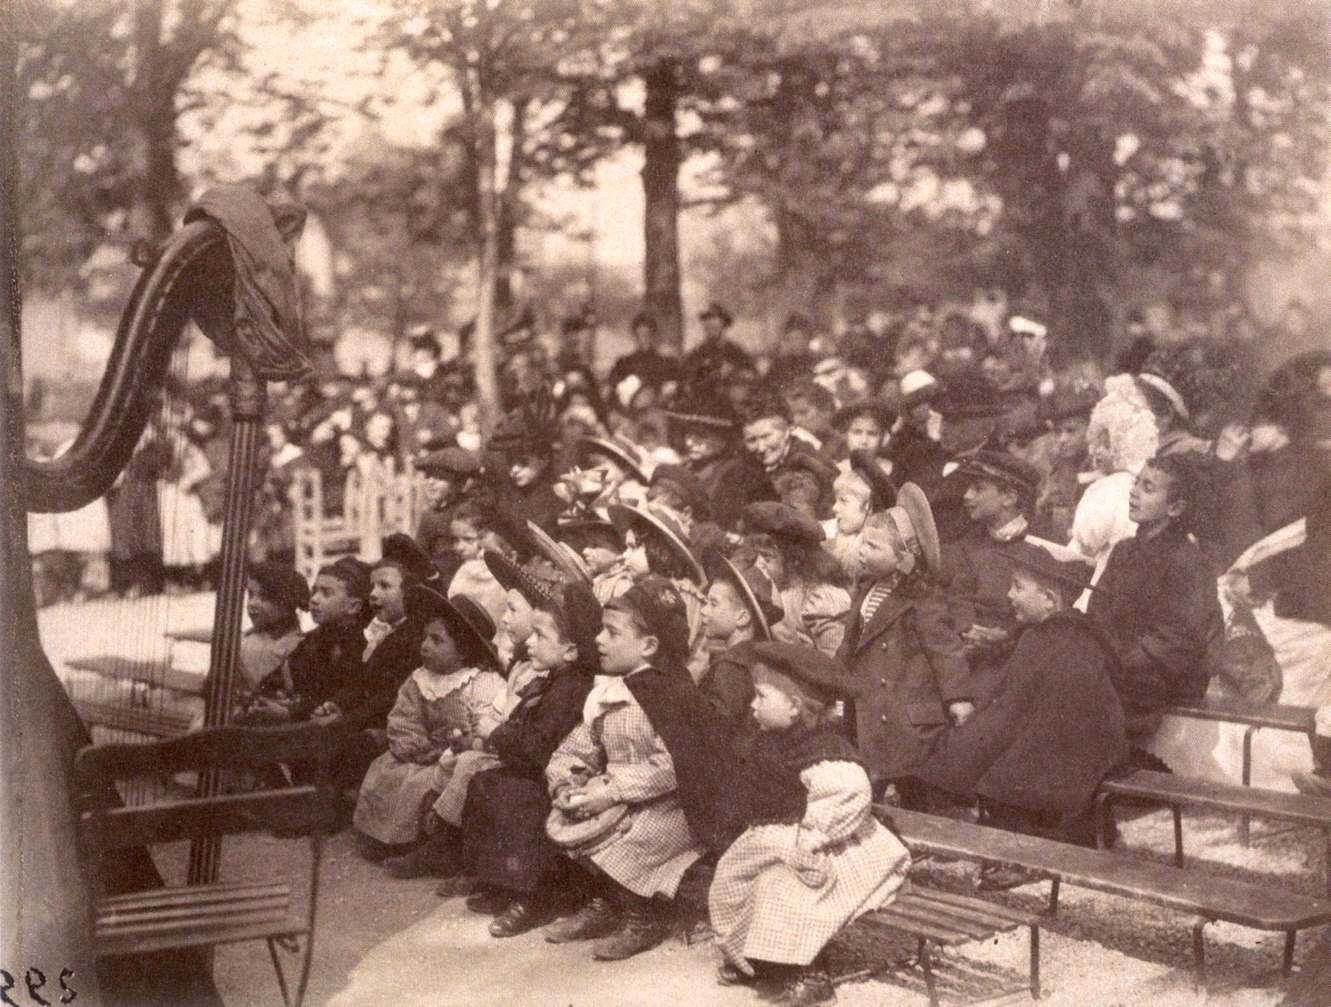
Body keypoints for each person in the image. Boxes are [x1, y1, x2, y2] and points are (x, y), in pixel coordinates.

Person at [915, 541, 1130, 886]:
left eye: (1018, 587)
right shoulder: (1042, 636)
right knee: (978, 748)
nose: (1009, 595)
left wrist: (978, 737)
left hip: (1079, 744)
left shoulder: (1067, 639)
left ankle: (1024, 856)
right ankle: (1011, 845)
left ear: (1049, 599)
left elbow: (1047, 712)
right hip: (1058, 736)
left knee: (1005, 765)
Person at [708, 642, 911, 1006]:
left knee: (788, 893)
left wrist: (813, 836)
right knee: (733, 877)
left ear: (795, 705)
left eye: (760, 695)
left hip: (834, 847)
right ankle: (756, 960)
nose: (752, 704)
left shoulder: (822, 749)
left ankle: (810, 973)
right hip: (782, 837)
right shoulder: (771, 740)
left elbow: (847, 793)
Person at [542, 578, 719, 961]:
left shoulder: (671, 695)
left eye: (611, 632)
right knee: (577, 825)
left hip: (672, 804)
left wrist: (612, 790)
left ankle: (644, 916)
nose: (599, 640)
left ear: (649, 646)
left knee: (634, 835)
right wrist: (568, 781)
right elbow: (578, 746)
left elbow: (675, 764)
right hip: (619, 794)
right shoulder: (610, 692)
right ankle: (607, 903)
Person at [455, 578, 602, 935]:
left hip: (560, 775)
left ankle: (534, 895)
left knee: (520, 801)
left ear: (570, 651)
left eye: (541, 636)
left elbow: (541, 747)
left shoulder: (573, 688)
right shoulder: (553, 678)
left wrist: (499, 734)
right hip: (536, 767)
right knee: (484, 784)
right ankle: (500, 880)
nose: (531, 643)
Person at [354, 586, 505, 865]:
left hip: (455, 754)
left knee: (422, 785)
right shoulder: (418, 680)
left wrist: (454, 747)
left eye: (437, 640)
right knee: (388, 773)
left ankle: (424, 846)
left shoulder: (480, 683)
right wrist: (414, 745)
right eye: (425, 637)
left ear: (463, 652)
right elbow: (403, 717)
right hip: (419, 750)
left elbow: (485, 724)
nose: (425, 645)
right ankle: (386, 839)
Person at [839, 485, 970, 802]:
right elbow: (852, 643)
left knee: (914, 787)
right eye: (863, 543)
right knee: (869, 781)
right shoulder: (869, 587)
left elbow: (945, 649)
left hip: (906, 716)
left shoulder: (921, 598)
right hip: (872, 705)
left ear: (903, 557)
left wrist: (958, 698)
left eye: (874, 547)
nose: (862, 551)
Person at [1087, 454, 1224, 737]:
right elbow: (1097, 608)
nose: (1134, 492)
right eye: (1136, 483)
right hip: (1118, 671)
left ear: (1175, 508)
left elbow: (1177, 640)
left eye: (1148, 489)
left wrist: (1114, 662)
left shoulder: (1189, 563)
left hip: (1159, 682)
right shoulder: (1124, 551)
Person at [943, 451, 1049, 703]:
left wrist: (1008, 638)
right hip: (972, 655)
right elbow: (959, 597)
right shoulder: (970, 542)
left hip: (1022, 658)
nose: (967, 496)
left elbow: (1052, 612)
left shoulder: (1043, 543)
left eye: (978, 488)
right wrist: (968, 631)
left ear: (1009, 497)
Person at [240, 556, 370, 725]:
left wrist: (290, 711)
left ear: (353, 606)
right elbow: (275, 680)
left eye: (326, 593)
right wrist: (267, 698)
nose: (314, 599)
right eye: (314, 591)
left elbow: (340, 699)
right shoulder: (311, 640)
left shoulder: (360, 646)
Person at [607, 503, 710, 679]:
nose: (624, 555)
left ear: (656, 549)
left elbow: (681, 659)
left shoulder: (683, 595)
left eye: (633, 547)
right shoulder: (633, 588)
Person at [742, 501, 850, 657]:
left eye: (767, 557)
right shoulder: (767, 591)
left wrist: (794, 645)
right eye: (756, 556)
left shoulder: (819, 599)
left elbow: (835, 668)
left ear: (794, 560)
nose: (760, 565)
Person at [698, 546, 782, 740]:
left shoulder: (730, 667)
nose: (703, 610)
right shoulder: (755, 657)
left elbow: (716, 732)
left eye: (713, 603)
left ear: (742, 618)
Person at [665, 386, 773, 531]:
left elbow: (724, 528)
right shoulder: (688, 465)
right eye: (688, 434)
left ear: (723, 438)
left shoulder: (735, 475)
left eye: (701, 435)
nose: (689, 443)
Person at [738, 387, 835, 520]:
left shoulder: (806, 462)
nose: (760, 447)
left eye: (766, 436)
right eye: (751, 440)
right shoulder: (749, 462)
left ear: (789, 429)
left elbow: (802, 522)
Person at [232, 561, 309, 714]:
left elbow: (296, 697)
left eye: (264, 598)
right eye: (250, 595)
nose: (252, 604)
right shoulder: (245, 638)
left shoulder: (295, 646)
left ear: (288, 602)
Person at [681, 302, 754, 386]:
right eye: (706, 320)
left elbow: (752, 375)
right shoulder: (696, 353)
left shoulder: (736, 351)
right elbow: (684, 378)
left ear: (724, 324)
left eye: (714, 319)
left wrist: (733, 372)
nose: (709, 323)